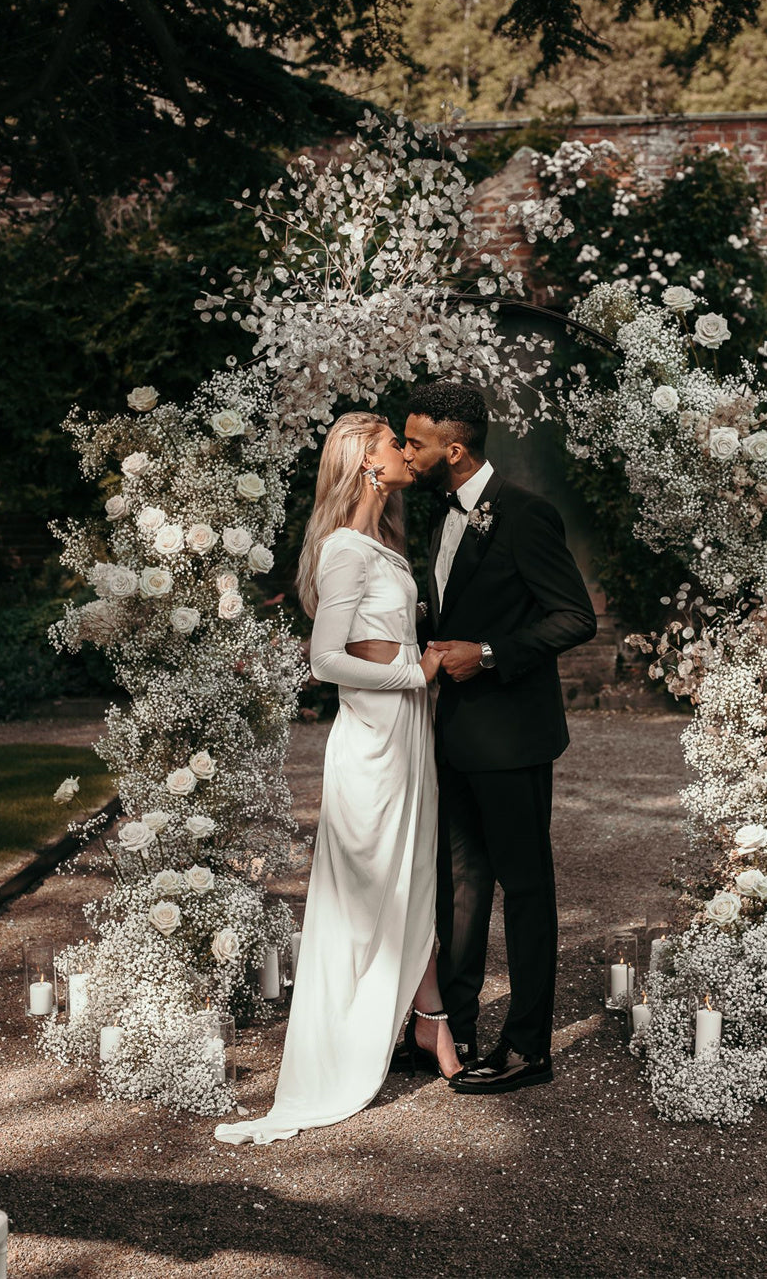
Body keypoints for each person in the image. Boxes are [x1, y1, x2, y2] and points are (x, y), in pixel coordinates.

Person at [214, 412, 460, 1147]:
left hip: (409, 735)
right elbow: (326, 662)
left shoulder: (381, 544)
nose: (403, 451)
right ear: (364, 464)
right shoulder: (344, 551)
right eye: (392, 442)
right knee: (368, 893)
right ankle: (390, 1031)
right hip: (373, 742)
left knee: (414, 879)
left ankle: (428, 1020)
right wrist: (412, 670)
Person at [403, 380, 597, 1094]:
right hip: (451, 733)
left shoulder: (523, 514)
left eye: (415, 442)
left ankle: (527, 1047)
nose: (405, 451)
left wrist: (484, 653)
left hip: (513, 736)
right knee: (458, 886)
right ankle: (450, 1028)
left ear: (453, 449)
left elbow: (575, 617)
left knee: (525, 888)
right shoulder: (435, 514)